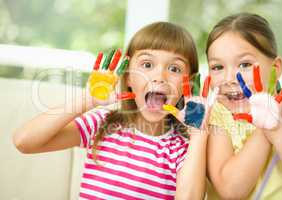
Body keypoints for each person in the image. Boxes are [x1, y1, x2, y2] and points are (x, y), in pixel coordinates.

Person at [13, 22, 210, 199]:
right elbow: (24, 141)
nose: (160, 76)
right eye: (147, 64)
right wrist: (87, 99)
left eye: (174, 69)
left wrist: (199, 133)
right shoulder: (102, 124)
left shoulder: (183, 149)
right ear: (128, 78)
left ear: (189, 85)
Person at [205, 13, 282, 199]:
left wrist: (277, 129)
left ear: (275, 68)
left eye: (244, 64)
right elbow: (231, 190)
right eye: (217, 67)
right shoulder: (216, 113)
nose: (229, 78)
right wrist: (265, 128)